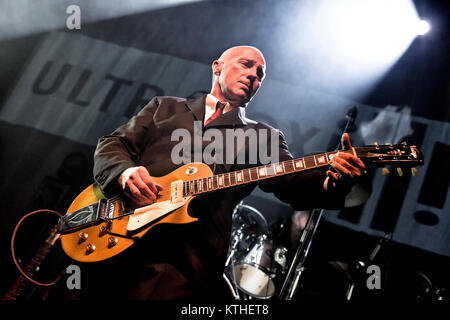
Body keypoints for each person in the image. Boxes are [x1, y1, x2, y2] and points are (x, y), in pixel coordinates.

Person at [88, 46, 365, 300]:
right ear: (217, 67)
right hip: (112, 238)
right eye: (246, 65)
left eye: (260, 75)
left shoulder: (262, 137)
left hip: (179, 263)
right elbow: (112, 144)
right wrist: (124, 173)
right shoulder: (164, 107)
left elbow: (291, 184)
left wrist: (333, 183)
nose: (253, 76)